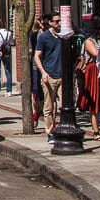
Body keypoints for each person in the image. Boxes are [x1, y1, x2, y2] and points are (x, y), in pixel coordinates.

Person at [77, 19, 100, 139]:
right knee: (94, 101)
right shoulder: (89, 41)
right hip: (94, 71)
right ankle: (96, 131)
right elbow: (97, 54)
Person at [34, 11, 64, 142]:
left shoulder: (65, 36)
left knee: (64, 106)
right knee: (49, 106)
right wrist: (43, 72)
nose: (59, 24)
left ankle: (63, 129)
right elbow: (37, 56)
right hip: (49, 75)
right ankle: (50, 132)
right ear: (50, 23)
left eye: (60, 21)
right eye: (56, 21)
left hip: (63, 76)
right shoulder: (44, 37)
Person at [0, 18, 14, 95]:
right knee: (8, 71)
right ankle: (9, 91)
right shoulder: (9, 33)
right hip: (6, 53)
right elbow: (11, 42)